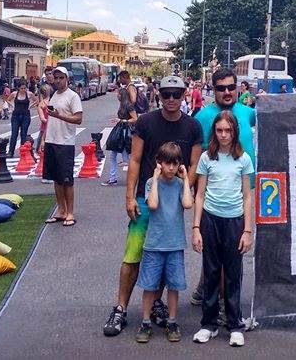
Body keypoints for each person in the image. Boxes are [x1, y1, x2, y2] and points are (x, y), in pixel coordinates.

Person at [103, 75, 203, 338]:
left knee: (164, 252)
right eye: (166, 94)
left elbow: (194, 164)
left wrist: (185, 188)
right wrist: (129, 197)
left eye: (176, 94)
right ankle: (120, 308)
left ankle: (156, 302)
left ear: (183, 95)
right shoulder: (146, 122)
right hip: (145, 200)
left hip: (172, 203)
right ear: (159, 95)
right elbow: (135, 160)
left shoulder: (192, 126)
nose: (171, 99)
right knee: (133, 254)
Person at [191, 110, 254, 347]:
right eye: (219, 130)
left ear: (235, 131)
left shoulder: (243, 159)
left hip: (235, 221)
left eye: (228, 130)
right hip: (210, 219)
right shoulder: (207, 158)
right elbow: (200, 195)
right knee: (211, 273)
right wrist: (196, 227)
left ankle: (235, 325)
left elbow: (247, 197)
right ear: (214, 132)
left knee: (233, 274)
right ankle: (208, 324)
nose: (224, 135)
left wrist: (247, 230)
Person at [134, 143, 194, 343]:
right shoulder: (151, 183)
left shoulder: (179, 184)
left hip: (175, 244)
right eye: (167, 163)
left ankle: (172, 321)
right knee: (149, 286)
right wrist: (155, 177)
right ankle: (145, 322)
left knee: (174, 286)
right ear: (159, 163)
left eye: (175, 164)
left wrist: (186, 179)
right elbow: (152, 204)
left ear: (180, 165)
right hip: (154, 244)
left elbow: (188, 204)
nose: (171, 168)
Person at [42, 67, 83, 225]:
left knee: (66, 180)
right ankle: (61, 210)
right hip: (52, 141)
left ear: (67, 79)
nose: (58, 81)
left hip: (65, 143)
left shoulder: (73, 96)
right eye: (56, 78)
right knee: (56, 179)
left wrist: (59, 115)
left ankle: (70, 212)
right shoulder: (54, 95)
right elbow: (51, 119)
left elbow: (78, 119)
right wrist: (44, 139)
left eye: (61, 78)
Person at [103, 71, 138, 187]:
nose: (117, 96)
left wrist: (122, 120)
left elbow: (135, 119)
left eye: (118, 94)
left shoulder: (128, 105)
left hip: (124, 132)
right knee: (115, 155)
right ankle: (113, 178)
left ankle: (133, 178)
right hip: (121, 130)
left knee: (126, 157)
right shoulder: (123, 105)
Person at [7, 81, 36, 157]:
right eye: (21, 88)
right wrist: (12, 105)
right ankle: (11, 151)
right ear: (18, 88)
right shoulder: (14, 94)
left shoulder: (29, 94)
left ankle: (23, 151)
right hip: (15, 116)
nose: (23, 90)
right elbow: (8, 99)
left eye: (24, 88)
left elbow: (36, 100)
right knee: (14, 134)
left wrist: (30, 106)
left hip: (25, 116)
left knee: (23, 134)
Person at [34, 83, 52, 164]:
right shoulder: (52, 102)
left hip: (45, 128)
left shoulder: (42, 104)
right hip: (50, 128)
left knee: (40, 148)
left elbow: (43, 119)